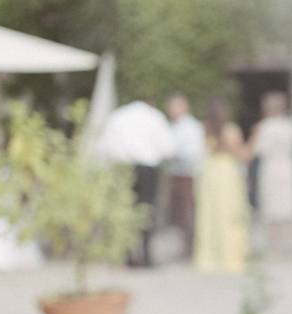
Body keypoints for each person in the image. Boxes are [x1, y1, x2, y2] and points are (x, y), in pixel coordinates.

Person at [94, 99, 175, 267]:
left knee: (125, 210)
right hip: (147, 169)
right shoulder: (154, 117)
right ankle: (145, 255)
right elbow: (168, 148)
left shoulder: (118, 116)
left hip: (122, 168)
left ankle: (127, 254)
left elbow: (104, 146)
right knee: (146, 211)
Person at [193, 99, 249, 273]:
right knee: (230, 214)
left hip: (210, 173)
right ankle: (230, 257)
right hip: (226, 173)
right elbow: (242, 155)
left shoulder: (205, 129)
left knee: (210, 215)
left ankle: (209, 258)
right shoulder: (231, 131)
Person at [249, 91, 292, 257]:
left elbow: (258, 150)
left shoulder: (265, 127)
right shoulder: (291, 126)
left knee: (272, 208)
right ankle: (288, 246)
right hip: (287, 168)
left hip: (271, 168)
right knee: (287, 207)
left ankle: (274, 247)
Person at [165, 94, 205, 260]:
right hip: (178, 173)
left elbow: (193, 153)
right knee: (180, 214)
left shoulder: (190, 127)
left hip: (187, 174)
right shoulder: (176, 126)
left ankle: (191, 249)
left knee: (188, 212)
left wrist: (173, 154)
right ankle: (185, 248)